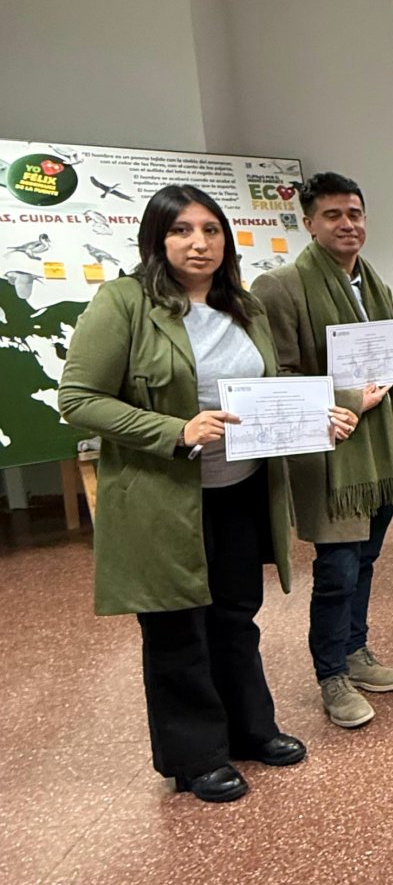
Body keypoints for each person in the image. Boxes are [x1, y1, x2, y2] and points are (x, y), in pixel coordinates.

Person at [58, 185, 337, 801]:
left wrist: (315, 416)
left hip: (239, 488)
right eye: (182, 230)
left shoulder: (244, 305)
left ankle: (250, 729)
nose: (199, 243)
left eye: (211, 230)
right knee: (177, 626)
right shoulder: (124, 303)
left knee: (235, 615)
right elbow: (78, 398)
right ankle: (196, 755)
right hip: (162, 495)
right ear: (156, 239)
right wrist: (175, 431)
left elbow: (267, 389)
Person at [254, 172, 393, 730]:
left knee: (367, 560)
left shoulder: (372, 283)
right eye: (333, 215)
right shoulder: (279, 286)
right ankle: (331, 674)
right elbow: (275, 374)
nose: (347, 224)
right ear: (308, 222)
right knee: (337, 569)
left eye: (354, 213)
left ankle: (355, 651)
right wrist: (350, 397)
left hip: (380, 451)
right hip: (331, 452)